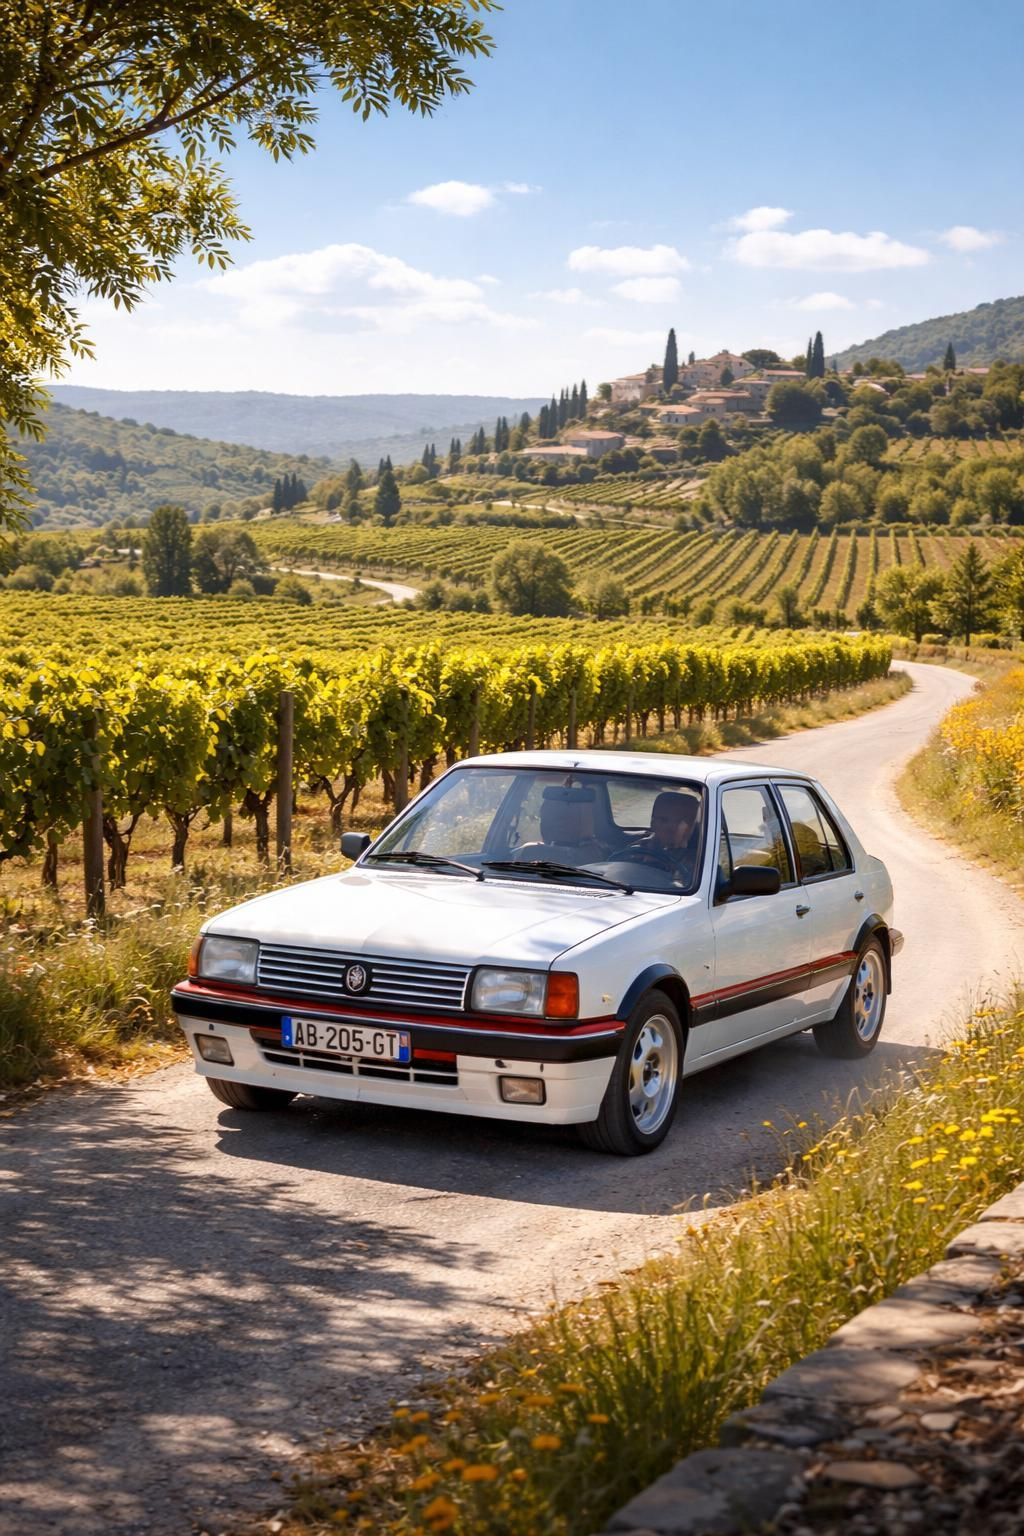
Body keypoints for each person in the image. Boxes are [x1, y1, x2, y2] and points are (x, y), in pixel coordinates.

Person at [616, 791, 700, 882]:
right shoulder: (636, 850)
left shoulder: (700, 863)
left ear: (692, 827)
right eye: (663, 820)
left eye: (681, 822)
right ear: (653, 823)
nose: (672, 827)